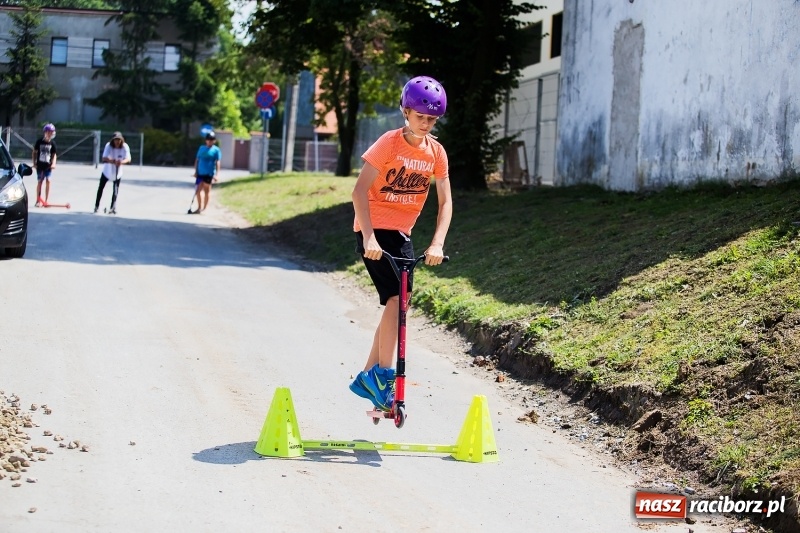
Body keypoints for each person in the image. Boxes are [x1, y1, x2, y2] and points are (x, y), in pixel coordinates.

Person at [349, 76, 452, 411]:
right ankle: (382, 375)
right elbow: (358, 192)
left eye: (432, 119)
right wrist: (368, 236)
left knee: (400, 302)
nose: (426, 123)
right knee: (397, 299)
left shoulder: (436, 153)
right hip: (375, 230)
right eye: (420, 116)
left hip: (403, 234)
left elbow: (446, 202)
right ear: (406, 111)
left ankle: (368, 376)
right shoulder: (389, 144)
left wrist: (437, 243)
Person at [94, 131, 131, 214]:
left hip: (118, 172)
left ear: (121, 140)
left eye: (119, 140)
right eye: (115, 140)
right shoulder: (108, 146)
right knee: (101, 188)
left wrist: (121, 162)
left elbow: (128, 159)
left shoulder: (125, 147)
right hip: (107, 171)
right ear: (113, 140)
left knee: (115, 190)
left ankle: (112, 207)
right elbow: (104, 158)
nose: (117, 142)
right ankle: (96, 206)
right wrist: (113, 161)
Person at [192, 131, 221, 214]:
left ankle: (204, 208)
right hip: (200, 173)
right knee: (197, 191)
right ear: (206, 140)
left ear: (214, 140)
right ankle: (199, 207)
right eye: (208, 139)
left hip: (209, 173)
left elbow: (218, 162)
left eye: (211, 139)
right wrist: (195, 171)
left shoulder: (216, 150)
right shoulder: (201, 148)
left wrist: (217, 175)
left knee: (206, 191)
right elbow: (197, 160)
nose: (209, 141)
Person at [32, 123, 58, 207]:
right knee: (40, 181)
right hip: (40, 165)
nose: (50, 134)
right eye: (49, 132)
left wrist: (53, 164)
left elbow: (54, 155)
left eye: (52, 132)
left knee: (48, 180)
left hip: (48, 166)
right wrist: (34, 163)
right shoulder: (39, 142)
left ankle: (46, 200)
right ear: (45, 132)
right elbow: (34, 152)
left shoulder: (52, 143)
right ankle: (38, 200)